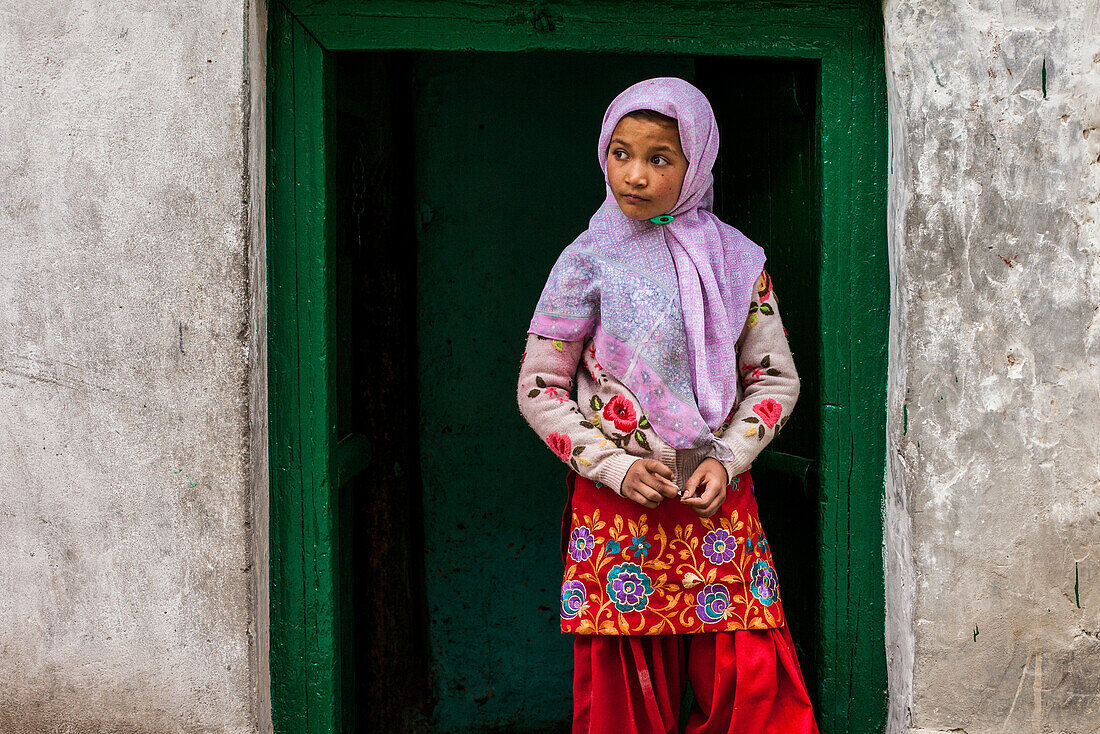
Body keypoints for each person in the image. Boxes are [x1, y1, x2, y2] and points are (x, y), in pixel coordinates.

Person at [516, 77, 819, 734]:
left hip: (714, 496)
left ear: (696, 163)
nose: (634, 175)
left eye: (659, 158)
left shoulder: (737, 263)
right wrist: (614, 467)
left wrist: (728, 459)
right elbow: (540, 387)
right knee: (626, 697)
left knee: (751, 679)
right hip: (619, 506)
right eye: (621, 152)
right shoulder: (585, 262)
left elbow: (773, 380)